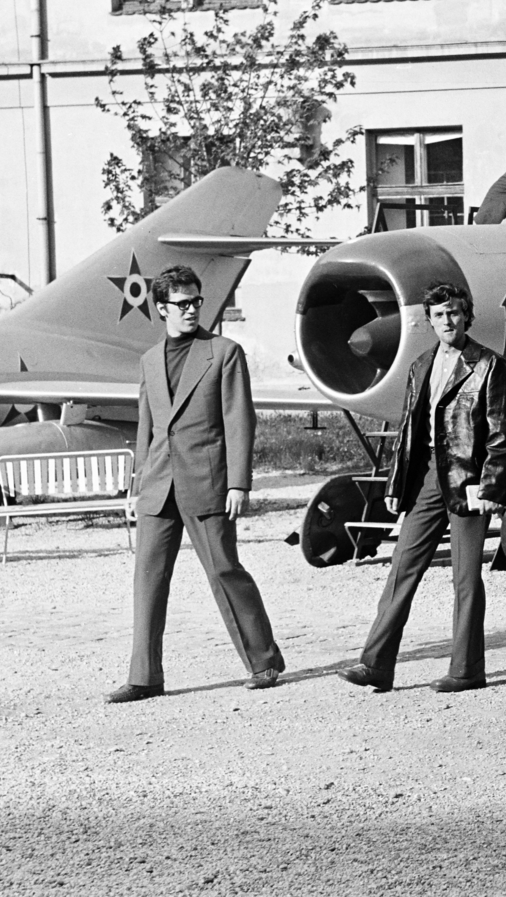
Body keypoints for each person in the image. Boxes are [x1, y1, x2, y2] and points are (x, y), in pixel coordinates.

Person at [106, 266, 284, 704]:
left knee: (224, 570)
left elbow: (239, 421)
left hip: (207, 482)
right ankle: (145, 676)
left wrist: (238, 484)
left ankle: (264, 662)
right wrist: (138, 486)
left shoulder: (223, 352)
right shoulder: (148, 360)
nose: (191, 310)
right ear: (162, 308)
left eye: (196, 302)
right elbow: (148, 427)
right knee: (147, 579)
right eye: (182, 304)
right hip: (158, 486)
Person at [341, 282, 506, 693]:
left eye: (454, 313)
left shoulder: (489, 365)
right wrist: (396, 482)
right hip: (426, 479)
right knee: (403, 567)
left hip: (468, 481)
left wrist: (492, 487)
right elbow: (409, 430)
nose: (447, 321)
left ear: (466, 314)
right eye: (439, 315)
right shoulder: (421, 364)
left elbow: (501, 434)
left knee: (465, 577)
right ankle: (376, 665)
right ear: (430, 320)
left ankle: (467, 670)